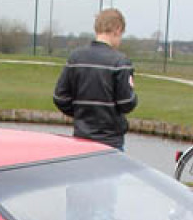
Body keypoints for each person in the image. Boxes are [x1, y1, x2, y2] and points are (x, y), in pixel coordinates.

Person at [53, 8, 137, 150]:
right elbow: (126, 103)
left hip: (81, 138)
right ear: (117, 29)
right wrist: (132, 94)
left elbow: (60, 97)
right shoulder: (121, 62)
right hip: (110, 141)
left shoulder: (76, 58)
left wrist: (81, 114)